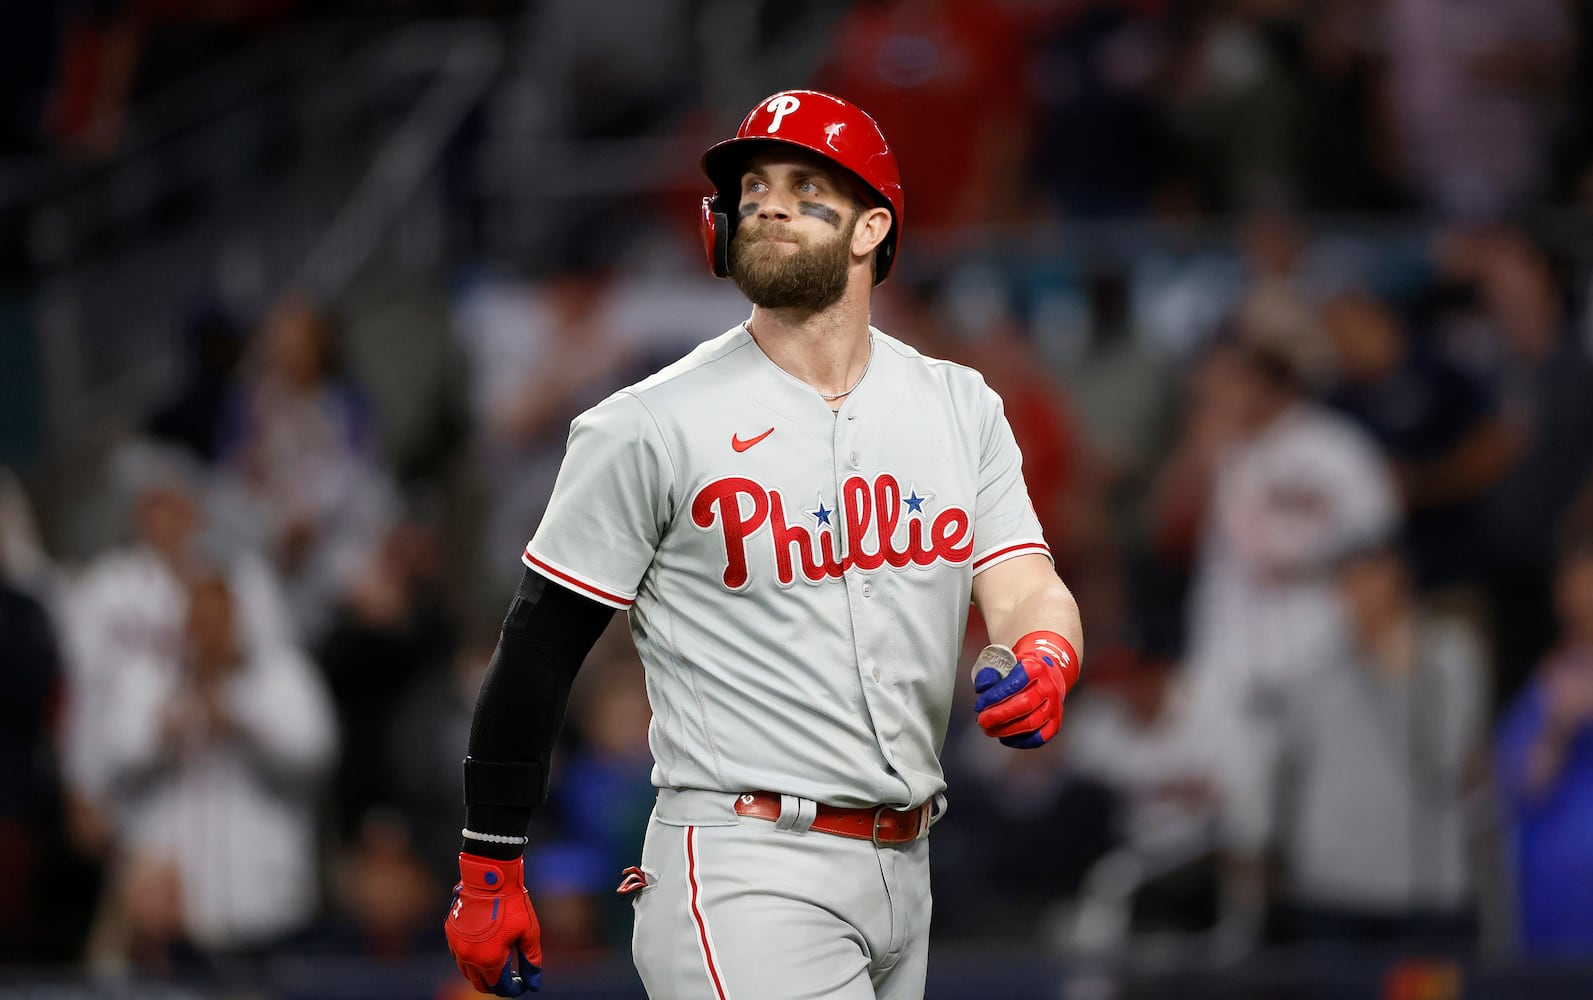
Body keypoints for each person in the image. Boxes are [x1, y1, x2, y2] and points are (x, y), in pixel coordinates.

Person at [441, 90, 1085, 999]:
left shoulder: (958, 405)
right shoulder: (648, 424)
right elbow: (540, 644)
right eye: (752, 187)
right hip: (745, 863)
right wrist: (490, 860)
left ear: (871, 228)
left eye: (803, 184)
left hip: (907, 866)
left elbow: (1023, 582)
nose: (768, 203)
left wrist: (1045, 649)